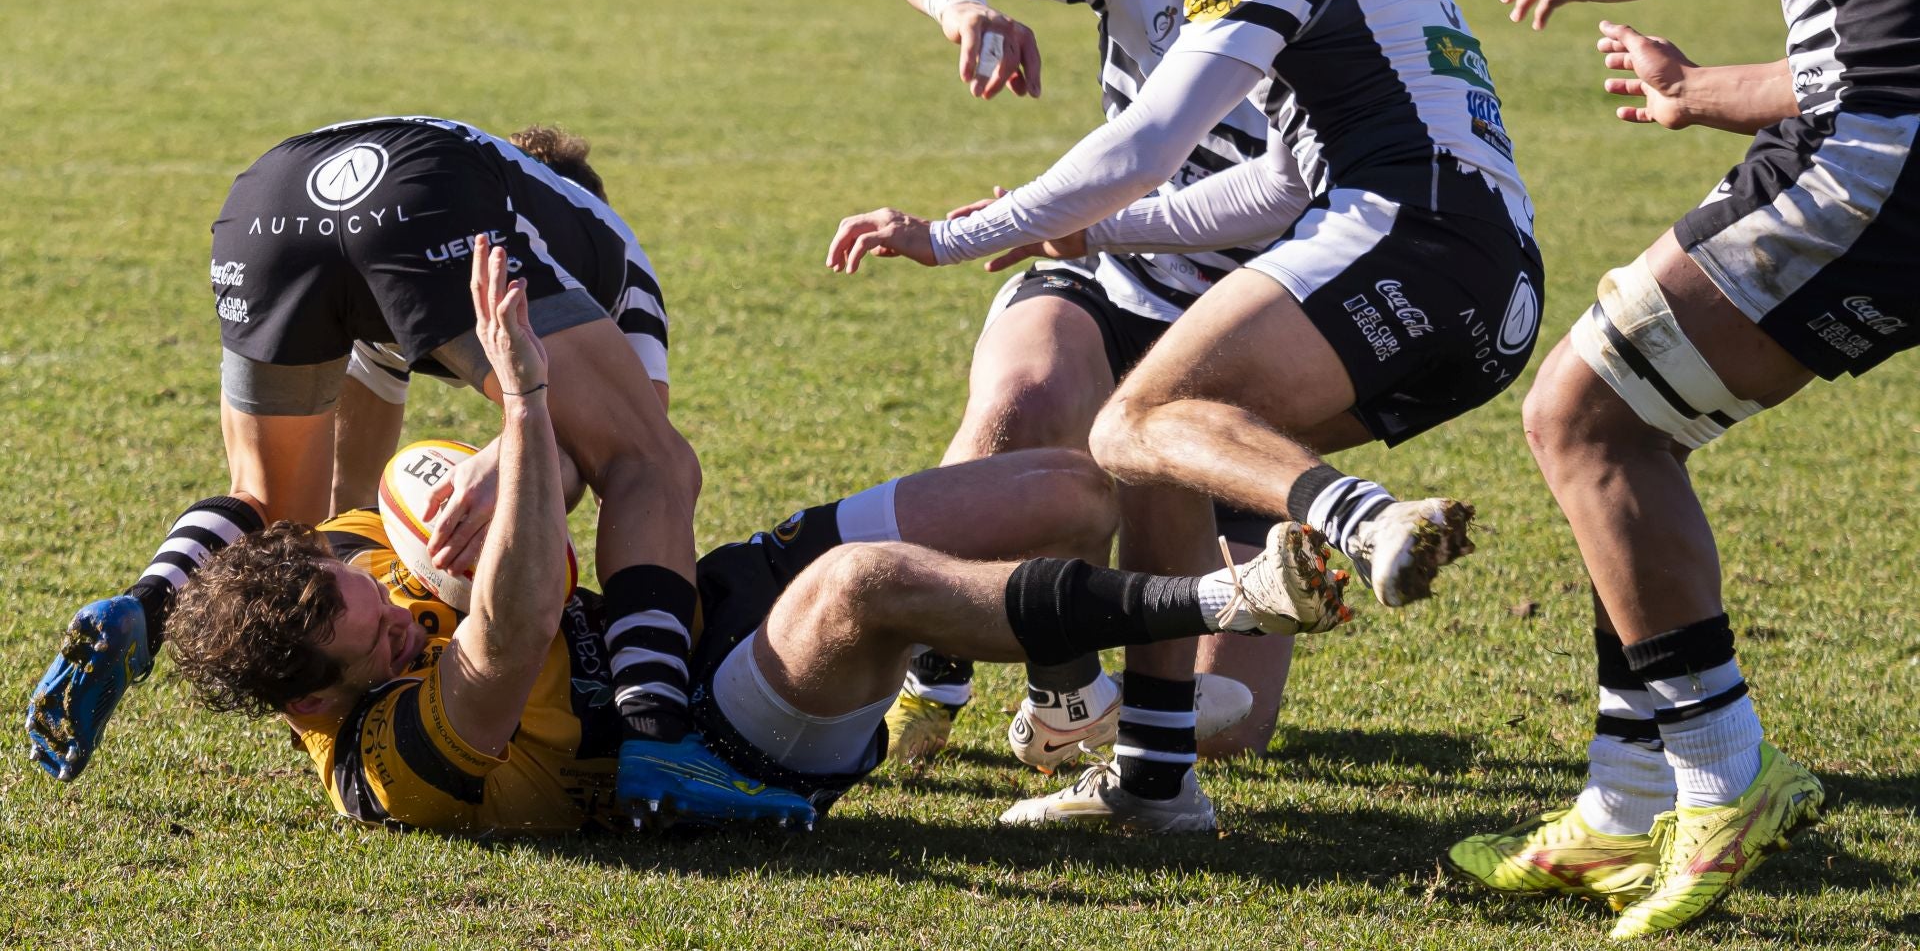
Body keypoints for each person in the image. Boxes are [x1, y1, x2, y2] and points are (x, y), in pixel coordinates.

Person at [830, 0, 1543, 831]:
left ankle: (1358, 520)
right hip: (1486, 289)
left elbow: (1146, 142)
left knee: (1144, 417)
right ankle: (1155, 782)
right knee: (1144, 432)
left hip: (1409, 237)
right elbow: (1270, 187)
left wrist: (950, 235)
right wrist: (1088, 234)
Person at [165, 237, 1354, 833]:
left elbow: (322, 486)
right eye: (373, 655)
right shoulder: (389, 761)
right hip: (718, 744)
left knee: (1064, 490)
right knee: (863, 581)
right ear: (309, 706)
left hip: (702, 609)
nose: (401, 636)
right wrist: (525, 405)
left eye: (379, 610)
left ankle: (1059, 701)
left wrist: (494, 432)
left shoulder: (344, 568)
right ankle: (1219, 601)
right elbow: (516, 619)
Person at [1449, 0, 1916, 938]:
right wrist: (1705, 89)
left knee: (1581, 416)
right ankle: (1625, 796)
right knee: (1627, 438)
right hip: (1883, 133)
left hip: (1879, 156)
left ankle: (1718, 779)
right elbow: (1884, 17)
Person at [26, 116, 774, 826]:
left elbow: (345, 517)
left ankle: (144, 602)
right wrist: (512, 453)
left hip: (265, 201)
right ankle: (657, 735)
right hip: (422, 196)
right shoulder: (609, 263)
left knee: (282, 524)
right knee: (653, 462)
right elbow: (621, 461)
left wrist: (317, 660)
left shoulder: (407, 291)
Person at [881, 0, 1386, 772]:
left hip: (1252, 321)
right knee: (1023, 404)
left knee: (1229, 720)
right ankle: (923, 657)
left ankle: (1072, 681)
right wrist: (965, 3)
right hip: (1107, 271)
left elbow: (1270, 187)